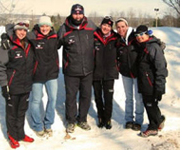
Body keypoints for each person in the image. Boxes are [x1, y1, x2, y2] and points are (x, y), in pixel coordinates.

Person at [0, 21, 34, 149]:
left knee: (21, 111)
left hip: (26, 85)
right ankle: (12, 135)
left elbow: (38, 34)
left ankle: (20, 134)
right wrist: (4, 85)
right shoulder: (7, 46)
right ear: (15, 31)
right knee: (12, 112)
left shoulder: (29, 43)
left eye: (24, 30)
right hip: (12, 86)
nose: (22, 32)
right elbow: (0, 67)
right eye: (19, 30)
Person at [58, 4, 97, 133]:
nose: (78, 16)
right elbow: (52, 43)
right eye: (75, 13)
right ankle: (71, 121)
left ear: (83, 14)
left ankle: (82, 119)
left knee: (86, 96)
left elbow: (104, 35)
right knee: (71, 97)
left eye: (80, 13)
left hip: (88, 70)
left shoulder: (90, 26)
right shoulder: (64, 28)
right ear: (71, 13)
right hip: (71, 71)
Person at [28, 15, 59, 137]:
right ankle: (37, 125)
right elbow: (16, 33)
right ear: (39, 26)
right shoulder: (32, 37)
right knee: (36, 100)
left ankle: (48, 124)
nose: (45, 28)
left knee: (53, 99)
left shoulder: (55, 37)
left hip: (51, 74)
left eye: (47, 26)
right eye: (42, 26)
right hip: (37, 74)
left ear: (50, 26)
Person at [134, 25, 168, 137]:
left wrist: (159, 87)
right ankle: (158, 120)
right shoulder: (144, 46)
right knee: (151, 104)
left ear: (147, 34)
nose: (139, 37)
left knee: (150, 104)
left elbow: (161, 67)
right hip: (145, 82)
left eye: (141, 34)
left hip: (151, 83)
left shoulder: (153, 47)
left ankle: (153, 127)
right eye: (137, 35)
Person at [115, 18, 144, 131]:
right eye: (118, 27)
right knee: (128, 98)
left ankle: (138, 121)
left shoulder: (135, 36)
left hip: (137, 73)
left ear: (127, 26)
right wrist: (119, 66)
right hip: (126, 73)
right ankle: (128, 119)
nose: (121, 29)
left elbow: (146, 41)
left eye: (123, 26)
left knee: (139, 98)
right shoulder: (119, 40)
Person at [93, 16, 119, 129]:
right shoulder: (94, 36)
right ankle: (100, 117)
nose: (106, 28)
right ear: (101, 25)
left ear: (111, 28)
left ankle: (107, 118)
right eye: (104, 25)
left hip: (110, 72)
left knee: (108, 97)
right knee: (98, 96)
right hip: (96, 72)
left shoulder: (115, 38)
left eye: (108, 26)